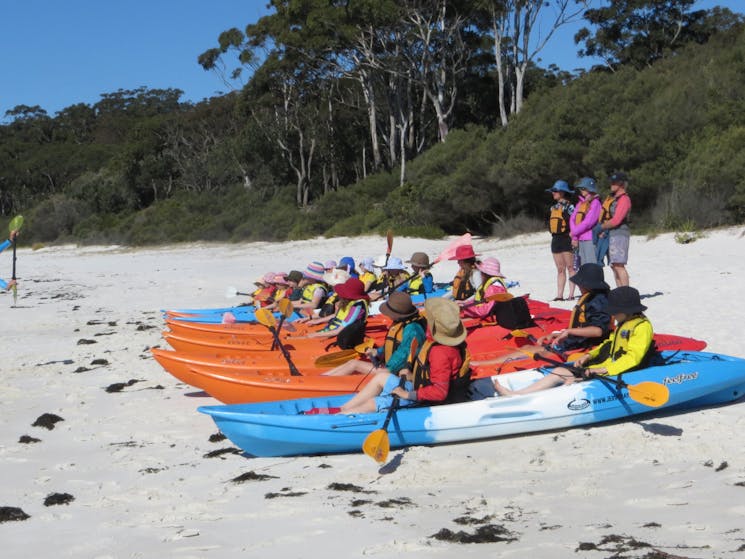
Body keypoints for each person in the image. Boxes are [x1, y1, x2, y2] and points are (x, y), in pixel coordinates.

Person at [494, 286, 653, 396]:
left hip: (623, 370)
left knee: (570, 380)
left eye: (615, 311)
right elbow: (609, 343)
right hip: (608, 365)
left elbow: (633, 357)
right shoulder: (624, 323)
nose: (613, 315)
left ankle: (523, 398)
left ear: (626, 310)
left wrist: (604, 370)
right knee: (560, 371)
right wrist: (589, 356)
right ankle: (518, 394)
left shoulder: (641, 327)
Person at [338, 298, 471, 414]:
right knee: (381, 377)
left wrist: (407, 394)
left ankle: (339, 419)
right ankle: (344, 408)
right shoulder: (437, 343)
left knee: (373, 403)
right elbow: (430, 374)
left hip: (427, 400)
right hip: (420, 386)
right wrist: (411, 375)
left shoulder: (440, 353)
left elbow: (439, 392)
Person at [472, 263, 610, 367]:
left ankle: (484, 365)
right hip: (575, 341)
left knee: (532, 352)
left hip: (583, 345)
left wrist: (568, 332)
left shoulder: (599, 301)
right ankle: (484, 363)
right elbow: (582, 325)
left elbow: (598, 331)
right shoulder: (591, 298)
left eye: (581, 283)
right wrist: (557, 334)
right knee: (526, 348)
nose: (579, 286)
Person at [322, 291, 427, 376]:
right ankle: (322, 378)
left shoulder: (412, 330)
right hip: (389, 367)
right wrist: (377, 352)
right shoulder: (401, 323)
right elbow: (393, 345)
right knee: (351, 362)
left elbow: (403, 354)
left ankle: (324, 381)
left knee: (354, 364)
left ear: (398, 314)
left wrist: (386, 367)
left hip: (392, 371)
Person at [296, 277, 369, 348]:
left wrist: (315, 335)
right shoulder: (347, 302)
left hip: (342, 336)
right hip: (332, 329)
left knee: (303, 340)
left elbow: (338, 331)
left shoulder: (356, 308)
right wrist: (313, 320)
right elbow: (335, 315)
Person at [599, 172, 632, 287]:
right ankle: (620, 292)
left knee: (619, 265)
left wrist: (600, 227)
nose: (611, 185)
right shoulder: (615, 199)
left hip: (620, 234)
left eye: (614, 182)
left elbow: (616, 220)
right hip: (612, 234)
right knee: (614, 265)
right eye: (611, 182)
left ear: (621, 184)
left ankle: (626, 293)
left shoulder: (624, 199)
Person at [546, 180, 576, 301]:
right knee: (560, 269)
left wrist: (574, 236)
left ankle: (571, 294)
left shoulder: (570, 207)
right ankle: (559, 295)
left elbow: (575, 221)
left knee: (570, 267)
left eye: (555, 191)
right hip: (556, 240)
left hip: (566, 239)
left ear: (562, 192)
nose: (553, 193)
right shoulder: (552, 208)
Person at [570, 177, 602, 268]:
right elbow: (572, 219)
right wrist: (575, 237)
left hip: (590, 239)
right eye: (580, 188)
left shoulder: (596, 203)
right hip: (579, 239)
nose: (581, 190)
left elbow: (588, 222)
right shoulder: (580, 203)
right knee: (583, 268)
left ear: (590, 189)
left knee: (592, 267)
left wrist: (574, 232)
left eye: (583, 188)